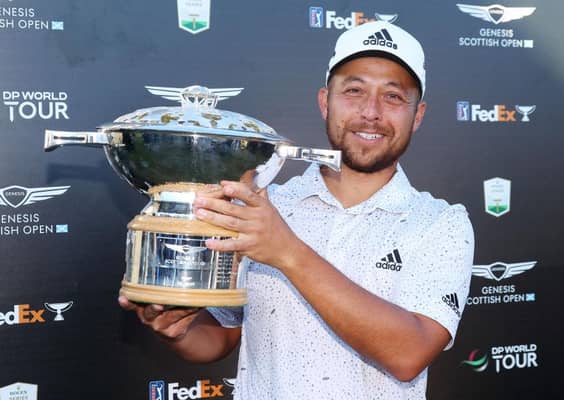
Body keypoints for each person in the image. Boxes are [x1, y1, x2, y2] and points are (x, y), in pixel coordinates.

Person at [119, 20, 474, 399]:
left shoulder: (440, 222)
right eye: (353, 90)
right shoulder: (266, 205)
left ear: (417, 116)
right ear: (325, 101)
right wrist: (177, 329)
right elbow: (221, 336)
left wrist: (287, 251)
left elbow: (409, 353)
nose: (370, 112)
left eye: (393, 97)